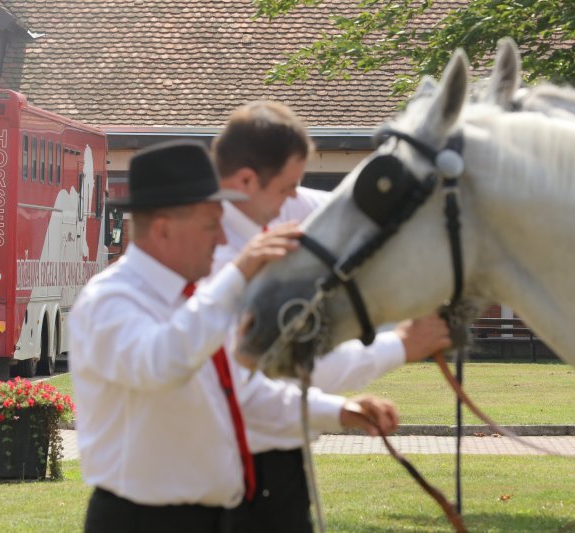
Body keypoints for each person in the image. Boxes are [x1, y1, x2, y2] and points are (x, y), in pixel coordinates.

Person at [68, 140, 400, 533]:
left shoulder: (192, 304)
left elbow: (242, 393)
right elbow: (163, 363)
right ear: (163, 229)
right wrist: (239, 272)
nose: (222, 240)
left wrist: (340, 412)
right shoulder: (109, 300)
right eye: (211, 225)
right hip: (143, 520)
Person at [210, 101, 453, 533]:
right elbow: (281, 367)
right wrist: (400, 346)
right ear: (247, 180)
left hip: (274, 470)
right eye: (287, 187)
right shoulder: (216, 259)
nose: (293, 200)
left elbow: (358, 215)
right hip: (237, 476)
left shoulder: (267, 211)